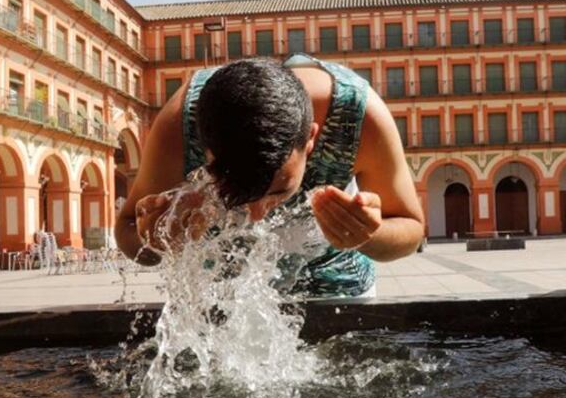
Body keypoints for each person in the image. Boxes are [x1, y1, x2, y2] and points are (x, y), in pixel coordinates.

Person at [115, 55, 425, 298]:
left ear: (311, 139)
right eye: (234, 191)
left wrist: (368, 233)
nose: (256, 214)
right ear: (204, 147)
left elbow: (411, 229)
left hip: (338, 292)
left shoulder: (358, 117)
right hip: (219, 299)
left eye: (277, 193)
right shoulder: (179, 123)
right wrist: (156, 238)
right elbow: (128, 229)